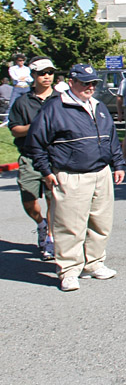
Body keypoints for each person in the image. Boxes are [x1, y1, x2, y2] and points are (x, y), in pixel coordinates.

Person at [24, 64, 125, 292]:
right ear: (71, 82)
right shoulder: (55, 108)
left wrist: (117, 164)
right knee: (69, 225)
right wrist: (46, 171)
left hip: (101, 173)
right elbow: (36, 143)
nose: (89, 87)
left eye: (92, 83)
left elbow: (111, 139)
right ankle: (69, 271)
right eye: (84, 83)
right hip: (70, 174)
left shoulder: (98, 106)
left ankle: (94, 263)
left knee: (101, 223)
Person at [8, 57, 57, 259]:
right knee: (28, 200)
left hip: (54, 157)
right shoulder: (22, 102)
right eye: (42, 73)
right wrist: (35, 126)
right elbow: (15, 129)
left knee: (53, 200)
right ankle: (41, 224)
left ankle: (50, 240)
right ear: (33, 76)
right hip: (29, 157)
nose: (46, 77)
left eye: (50, 72)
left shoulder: (61, 99)